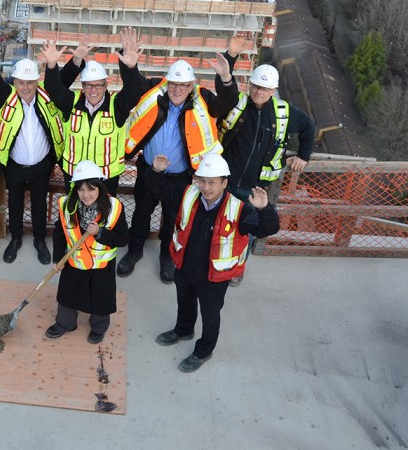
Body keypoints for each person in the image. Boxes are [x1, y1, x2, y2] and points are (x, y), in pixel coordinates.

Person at [116, 27, 240, 284]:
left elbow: (226, 104)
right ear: (168, 82)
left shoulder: (202, 99)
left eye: (183, 85)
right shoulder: (155, 89)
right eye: (174, 84)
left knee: (173, 218)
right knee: (141, 212)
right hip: (150, 170)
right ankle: (135, 251)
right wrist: (129, 67)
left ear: (191, 85)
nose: (177, 89)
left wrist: (227, 78)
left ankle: (166, 257)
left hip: (181, 176)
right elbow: (134, 86)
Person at [155, 153, 279, 372]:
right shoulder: (188, 194)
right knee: (184, 301)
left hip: (213, 277)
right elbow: (158, 190)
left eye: (212, 182)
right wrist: (156, 172)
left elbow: (266, 229)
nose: (206, 187)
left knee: (210, 315)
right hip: (184, 266)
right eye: (202, 180)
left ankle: (204, 350)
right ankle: (183, 330)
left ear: (224, 183)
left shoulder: (239, 209)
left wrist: (264, 209)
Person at [218, 64, 315, 286]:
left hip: (256, 188)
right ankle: (215, 260)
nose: (258, 92)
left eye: (264, 88)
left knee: (245, 230)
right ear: (250, 85)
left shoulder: (283, 113)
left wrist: (303, 156)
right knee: (220, 224)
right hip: (226, 181)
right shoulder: (238, 104)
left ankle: (236, 268)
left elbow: (309, 127)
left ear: (273, 90)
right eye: (255, 86)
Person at [0, 39, 65, 264]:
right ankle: (15, 239)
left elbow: (60, 82)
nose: (25, 88)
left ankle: (39, 240)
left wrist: (54, 65)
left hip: (41, 165)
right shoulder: (8, 98)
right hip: (14, 165)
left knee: (39, 204)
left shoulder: (47, 97)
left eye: (30, 82)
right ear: (13, 82)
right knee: (14, 204)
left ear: (37, 82)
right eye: (20, 82)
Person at [46, 160, 131, 345]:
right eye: (81, 189)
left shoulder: (114, 207)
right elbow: (60, 234)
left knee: (101, 299)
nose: (86, 195)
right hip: (74, 261)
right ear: (75, 189)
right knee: (68, 295)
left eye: (91, 189)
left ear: (100, 187)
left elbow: (123, 238)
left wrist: (101, 234)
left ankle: (99, 328)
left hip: (102, 266)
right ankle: (65, 323)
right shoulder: (66, 205)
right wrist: (58, 258)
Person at [41, 38, 133, 194]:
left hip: (106, 176)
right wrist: (51, 65)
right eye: (88, 85)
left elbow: (134, 90)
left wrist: (131, 67)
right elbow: (53, 88)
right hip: (75, 174)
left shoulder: (116, 106)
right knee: (74, 213)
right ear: (82, 86)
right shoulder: (71, 102)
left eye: (98, 85)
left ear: (106, 86)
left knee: (104, 215)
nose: (93, 90)